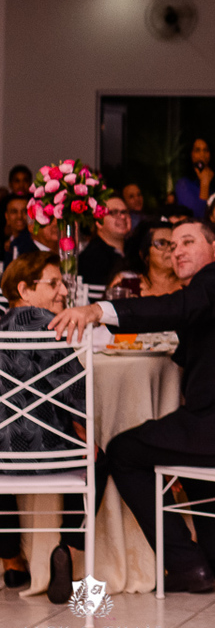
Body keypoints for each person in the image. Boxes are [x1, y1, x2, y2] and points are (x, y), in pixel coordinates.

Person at [49, 219, 215, 594]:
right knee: (181, 444)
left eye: (188, 241)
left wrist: (100, 311)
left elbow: (180, 308)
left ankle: (185, 564)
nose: (176, 250)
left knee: (124, 450)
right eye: (171, 245)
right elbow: (203, 341)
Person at [0, 252, 108, 604]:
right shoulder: (51, 325)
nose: (63, 290)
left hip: (3, 454)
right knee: (101, 459)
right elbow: (77, 393)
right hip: (48, 452)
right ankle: (68, 547)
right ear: (24, 290)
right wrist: (85, 430)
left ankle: (12, 559)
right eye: (54, 283)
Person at [78, 197, 131, 287]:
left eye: (124, 212)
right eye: (113, 212)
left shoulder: (136, 250)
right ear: (99, 222)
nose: (122, 217)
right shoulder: (91, 259)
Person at [129, 220, 183, 297]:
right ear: (145, 254)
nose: (170, 248)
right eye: (161, 243)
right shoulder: (130, 286)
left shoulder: (191, 285)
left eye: (173, 244)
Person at [175, 138, 215, 219]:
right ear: (191, 154)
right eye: (197, 150)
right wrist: (204, 184)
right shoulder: (183, 184)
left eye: (206, 150)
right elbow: (196, 216)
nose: (202, 154)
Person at [2, 194, 32, 267]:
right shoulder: (5, 244)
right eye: (14, 211)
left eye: (24, 211)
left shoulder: (35, 243)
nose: (19, 216)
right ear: (7, 216)